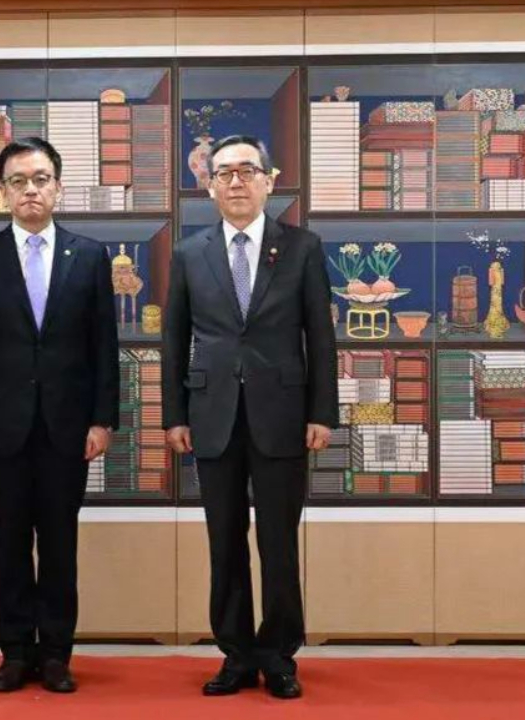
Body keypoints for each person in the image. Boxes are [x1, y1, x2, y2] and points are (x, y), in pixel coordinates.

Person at [162, 134, 337, 700]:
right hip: (211, 415)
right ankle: (236, 654)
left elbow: (322, 337)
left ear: (268, 180)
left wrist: (322, 412)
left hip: (283, 414)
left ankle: (279, 654)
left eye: (246, 171)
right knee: (224, 540)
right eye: (224, 173)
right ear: (208, 186)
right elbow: (174, 340)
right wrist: (174, 415)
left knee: (279, 542)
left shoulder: (303, 247)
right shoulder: (190, 252)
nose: (236, 181)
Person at [0, 137, 119, 694]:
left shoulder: (89, 255)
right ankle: (16, 653)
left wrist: (102, 419)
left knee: (61, 542)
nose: (30, 190)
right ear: (3, 193)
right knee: (11, 542)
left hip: (69, 427)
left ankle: (58, 655)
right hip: (0, 427)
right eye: (18, 181)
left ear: (58, 187)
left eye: (40, 179)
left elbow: (103, 348)